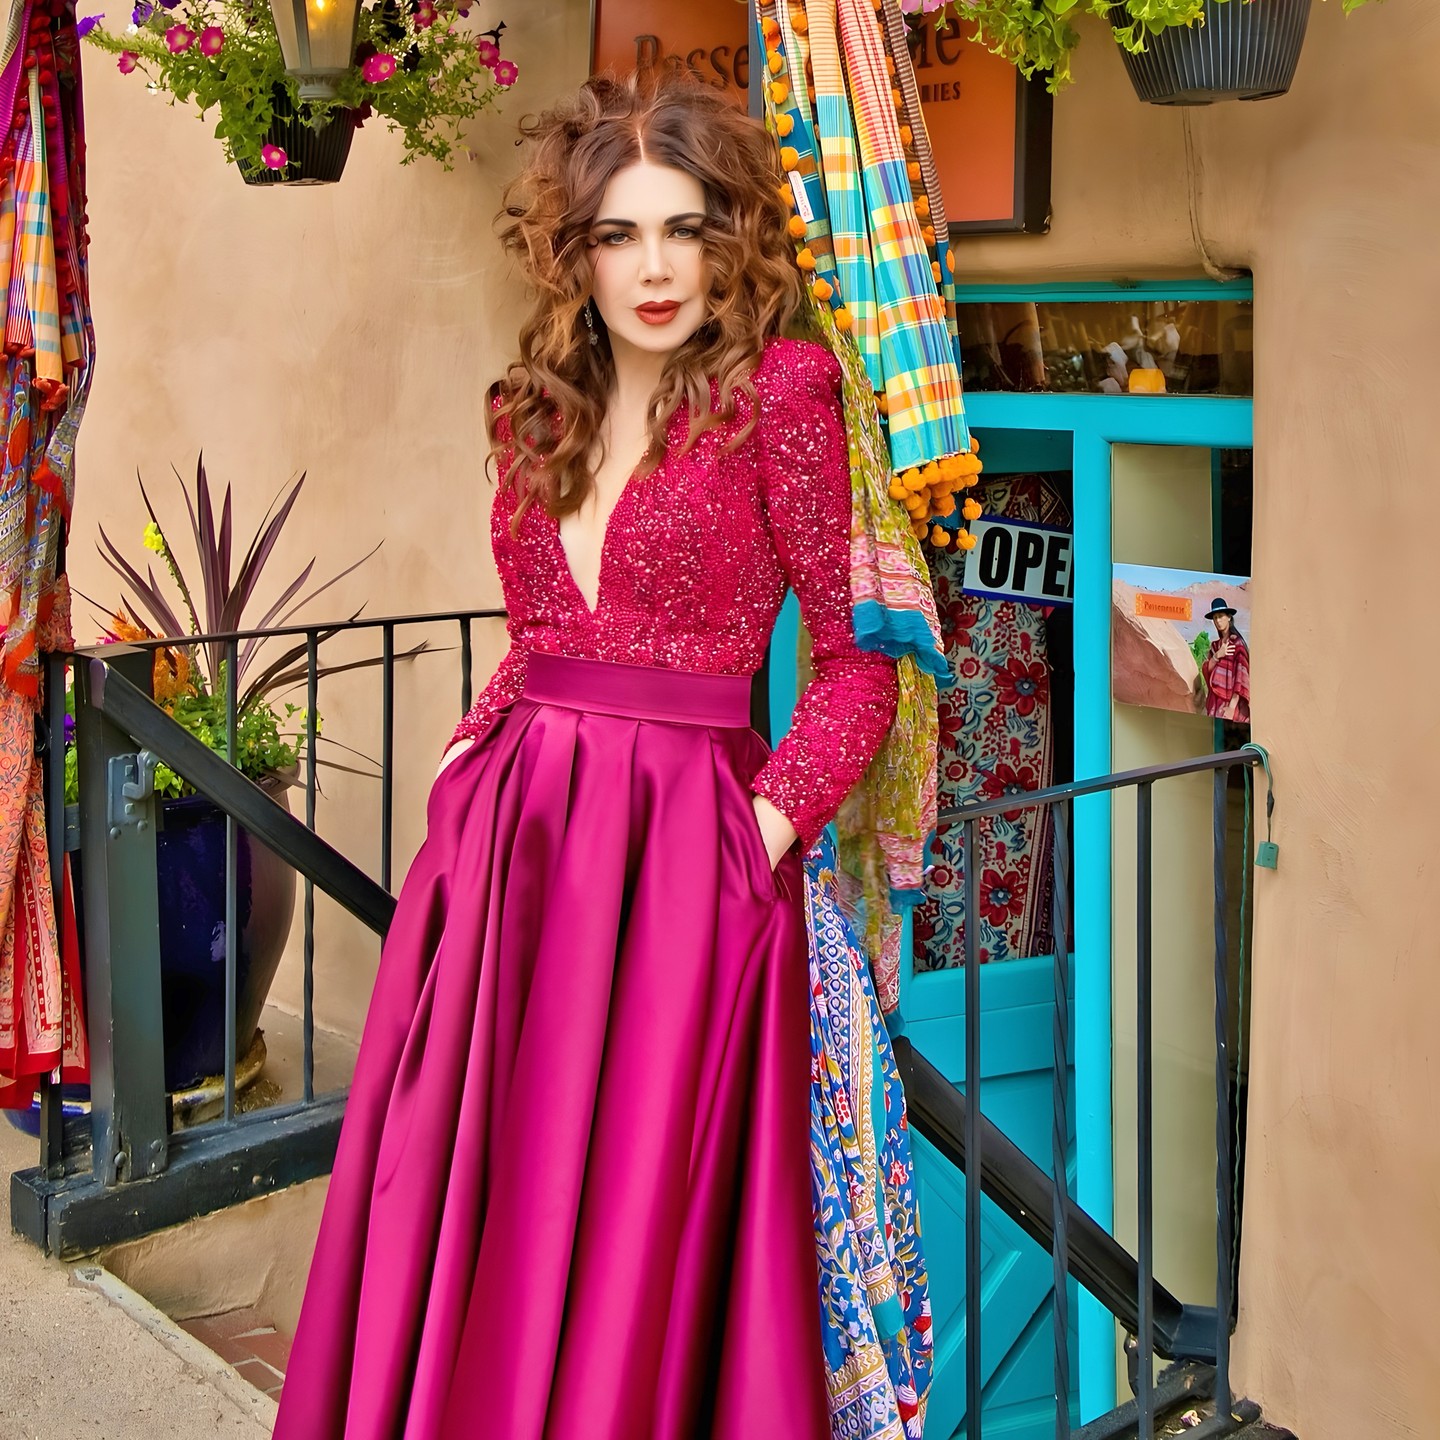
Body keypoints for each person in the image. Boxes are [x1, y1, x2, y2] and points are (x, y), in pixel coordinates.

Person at [273, 71, 902, 1440]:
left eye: (686, 229)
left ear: (731, 239)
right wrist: (465, 751)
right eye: (620, 234)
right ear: (575, 250)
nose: (656, 267)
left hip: (689, 863)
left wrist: (766, 833)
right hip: (508, 857)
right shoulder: (532, 409)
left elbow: (858, 672)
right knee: (471, 1197)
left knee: (633, 1222)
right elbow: (544, 631)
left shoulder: (782, 393)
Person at [1200, 596, 1250, 723]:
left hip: (1230, 704)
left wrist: (1232, 707)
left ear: (1229, 617)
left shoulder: (1237, 644)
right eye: (1215, 618)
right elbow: (1207, 670)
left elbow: (1241, 677)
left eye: (1221, 616)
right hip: (1214, 703)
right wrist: (1218, 655)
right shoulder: (1215, 646)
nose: (1218, 621)